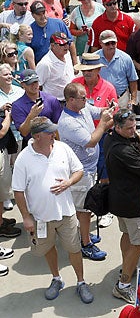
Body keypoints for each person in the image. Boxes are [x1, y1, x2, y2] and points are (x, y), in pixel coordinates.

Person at [11, 117, 94, 304]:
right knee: (48, 247)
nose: (54, 135)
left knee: (74, 249)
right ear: (37, 136)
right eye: (49, 132)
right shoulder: (24, 158)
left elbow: (78, 170)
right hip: (40, 217)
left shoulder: (62, 148)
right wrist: (26, 217)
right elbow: (18, 190)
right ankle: (57, 278)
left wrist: (69, 182)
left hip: (66, 213)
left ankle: (81, 282)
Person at [57, 83, 114, 261]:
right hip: (79, 172)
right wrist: (104, 125)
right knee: (84, 209)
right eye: (83, 98)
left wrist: (109, 108)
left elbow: (97, 111)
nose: (87, 100)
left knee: (86, 207)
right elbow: (90, 141)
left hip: (89, 168)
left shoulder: (83, 108)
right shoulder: (67, 123)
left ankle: (83, 235)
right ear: (71, 100)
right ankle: (85, 243)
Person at [105, 109, 140, 304]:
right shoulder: (123, 151)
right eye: (129, 129)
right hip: (133, 203)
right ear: (117, 127)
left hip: (118, 200)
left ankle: (128, 266)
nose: (133, 131)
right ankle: (123, 285)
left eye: (134, 126)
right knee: (139, 242)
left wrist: (136, 137)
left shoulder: (111, 139)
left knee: (126, 235)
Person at [36, 33, 76, 103]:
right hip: (54, 103)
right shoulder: (45, 64)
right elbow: (37, 86)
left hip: (71, 100)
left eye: (67, 43)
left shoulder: (67, 55)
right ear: (52, 45)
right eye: (62, 44)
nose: (66, 46)